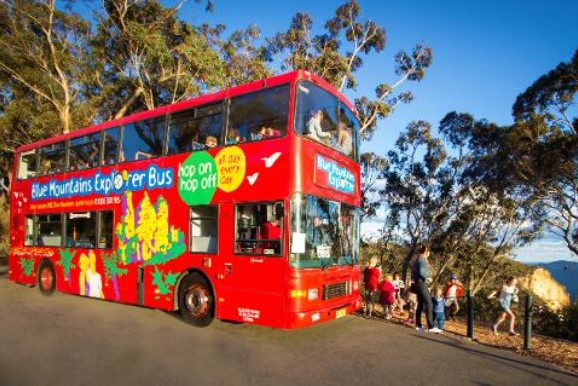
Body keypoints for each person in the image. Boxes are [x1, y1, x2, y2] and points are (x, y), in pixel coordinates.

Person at [411, 245, 441, 333]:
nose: (429, 253)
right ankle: (431, 326)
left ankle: (418, 325)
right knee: (429, 302)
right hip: (421, 283)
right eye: (428, 252)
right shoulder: (421, 260)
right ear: (425, 252)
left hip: (417, 283)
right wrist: (427, 278)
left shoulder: (417, 259)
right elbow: (421, 271)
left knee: (420, 304)